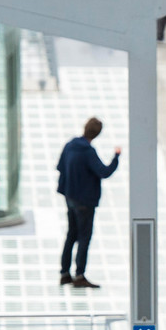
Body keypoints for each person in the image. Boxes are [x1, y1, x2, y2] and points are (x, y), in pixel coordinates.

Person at [56, 118, 121, 288]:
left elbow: (60, 167)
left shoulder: (70, 145)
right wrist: (116, 157)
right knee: (84, 238)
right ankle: (79, 275)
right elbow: (104, 172)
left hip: (70, 198)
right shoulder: (88, 152)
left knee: (71, 235)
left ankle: (64, 273)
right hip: (85, 202)